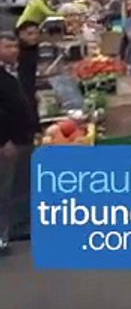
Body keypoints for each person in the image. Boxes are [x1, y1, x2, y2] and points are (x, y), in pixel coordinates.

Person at [0, 32, 38, 255]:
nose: (14, 50)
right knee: (4, 188)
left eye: (15, 47)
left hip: (20, 139)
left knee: (18, 183)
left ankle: (18, 226)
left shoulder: (12, 71)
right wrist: (4, 140)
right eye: (7, 47)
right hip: (7, 142)